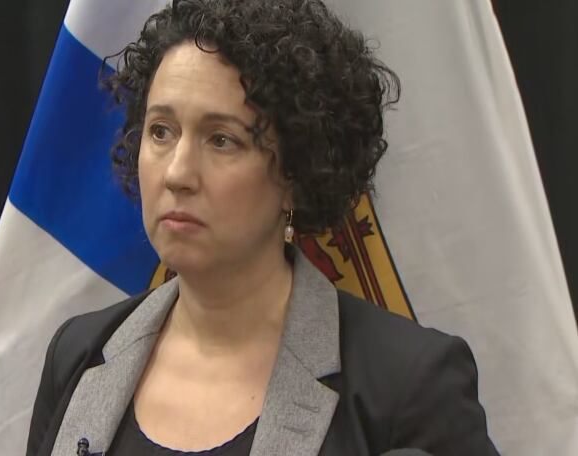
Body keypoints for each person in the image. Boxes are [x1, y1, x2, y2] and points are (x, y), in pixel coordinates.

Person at [26, 1, 500, 455]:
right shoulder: (79, 355)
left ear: (296, 173)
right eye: (161, 131)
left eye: (221, 140)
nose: (176, 173)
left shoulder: (410, 384)